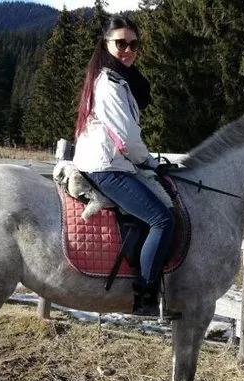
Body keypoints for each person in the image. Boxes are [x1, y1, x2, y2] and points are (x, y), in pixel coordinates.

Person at [72, 16, 175, 317]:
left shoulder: (118, 79)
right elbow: (127, 138)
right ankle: (144, 295)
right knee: (162, 220)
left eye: (134, 44)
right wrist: (149, 163)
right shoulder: (110, 84)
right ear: (106, 44)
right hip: (107, 166)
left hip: (110, 162)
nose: (128, 50)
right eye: (120, 43)